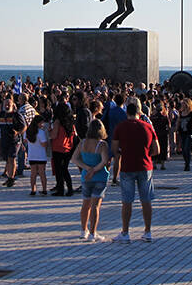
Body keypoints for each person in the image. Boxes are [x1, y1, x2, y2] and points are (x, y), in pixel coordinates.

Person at [111, 101, 159, 244]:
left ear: (127, 113)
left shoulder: (121, 127)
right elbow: (157, 149)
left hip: (127, 167)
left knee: (127, 201)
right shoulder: (148, 126)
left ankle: (125, 232)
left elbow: (114, 149)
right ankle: (148, 231)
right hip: (145, 166)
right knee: (146, 200)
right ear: (139, 113)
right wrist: (148, 155)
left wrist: (121, 152)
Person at [72, 119, 110, 242]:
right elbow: (104, 161)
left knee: (85, 204)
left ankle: (84, 230)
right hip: (99, 177)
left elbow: (75, 159)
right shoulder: (102, 145)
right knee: (95, 206)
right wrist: (94, 170)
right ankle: (93, 232)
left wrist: (87, 168)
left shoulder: (82, 143)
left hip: (85, 176)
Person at [50, 102, 75, 196]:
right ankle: (70, 188)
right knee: (65, 169)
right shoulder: (70, 122)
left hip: (58, 147)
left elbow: (53, 135)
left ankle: (60, 189)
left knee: (58, 170)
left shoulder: (57, 122)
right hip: (68, 148)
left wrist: (49, 131)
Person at [24, 114, 48, 196]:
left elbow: (25, 140)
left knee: (33, 173)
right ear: (38, 123)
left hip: (32, 155)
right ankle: (44, 189)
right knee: (42, 173)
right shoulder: (41, 132)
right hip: (41, 155)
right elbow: (44, 144)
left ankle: (33, 189)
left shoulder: (28, 131)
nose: (43, 124)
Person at [174, 98, 192, 172]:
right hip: (182, 133)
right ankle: (186, 161)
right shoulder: (181, 113)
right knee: (183, 149)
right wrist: (176, 130)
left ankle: (187, 164)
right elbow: (178, 122)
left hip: (189, 133)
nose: (182, 105)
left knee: (187, 148)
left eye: (184, 103)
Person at [150, 102, 170, 170]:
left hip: (155, 134)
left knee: (155, 148)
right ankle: (162, 165)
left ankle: (154, 164)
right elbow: (169, 126)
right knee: (163, 149)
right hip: (163, 134)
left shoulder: (153, 118)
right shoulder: (165, 117)